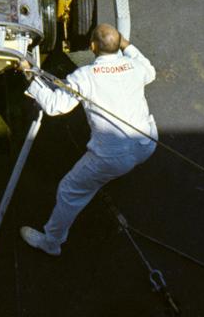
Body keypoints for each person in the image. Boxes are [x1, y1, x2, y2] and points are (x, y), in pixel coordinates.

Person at [19, 24, 157, 255]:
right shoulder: (136, 66)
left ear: (92, 46)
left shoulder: (85, 76)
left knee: (68, 190)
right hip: (147, 144)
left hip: (111, 158)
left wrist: (29, 76)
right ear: (118, 44)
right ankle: (114, 175)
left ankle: (51, 242)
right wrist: (125, 44)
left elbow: (55, 106)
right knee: (119, 164)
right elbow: (150, 71)